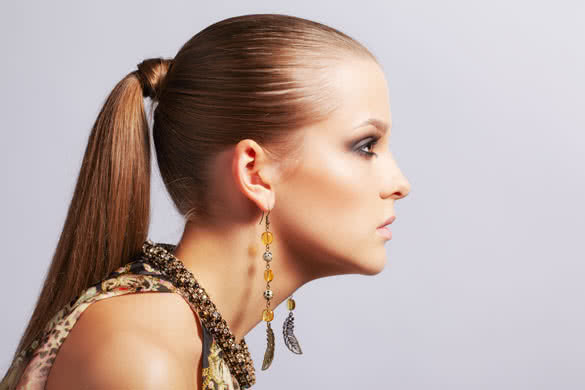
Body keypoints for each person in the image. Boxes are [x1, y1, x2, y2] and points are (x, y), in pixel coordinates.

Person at [0, 12, 410, 390]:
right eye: (365, 145)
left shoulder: (174, 334)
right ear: (254, 172)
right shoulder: (142, 354)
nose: (400, 184)